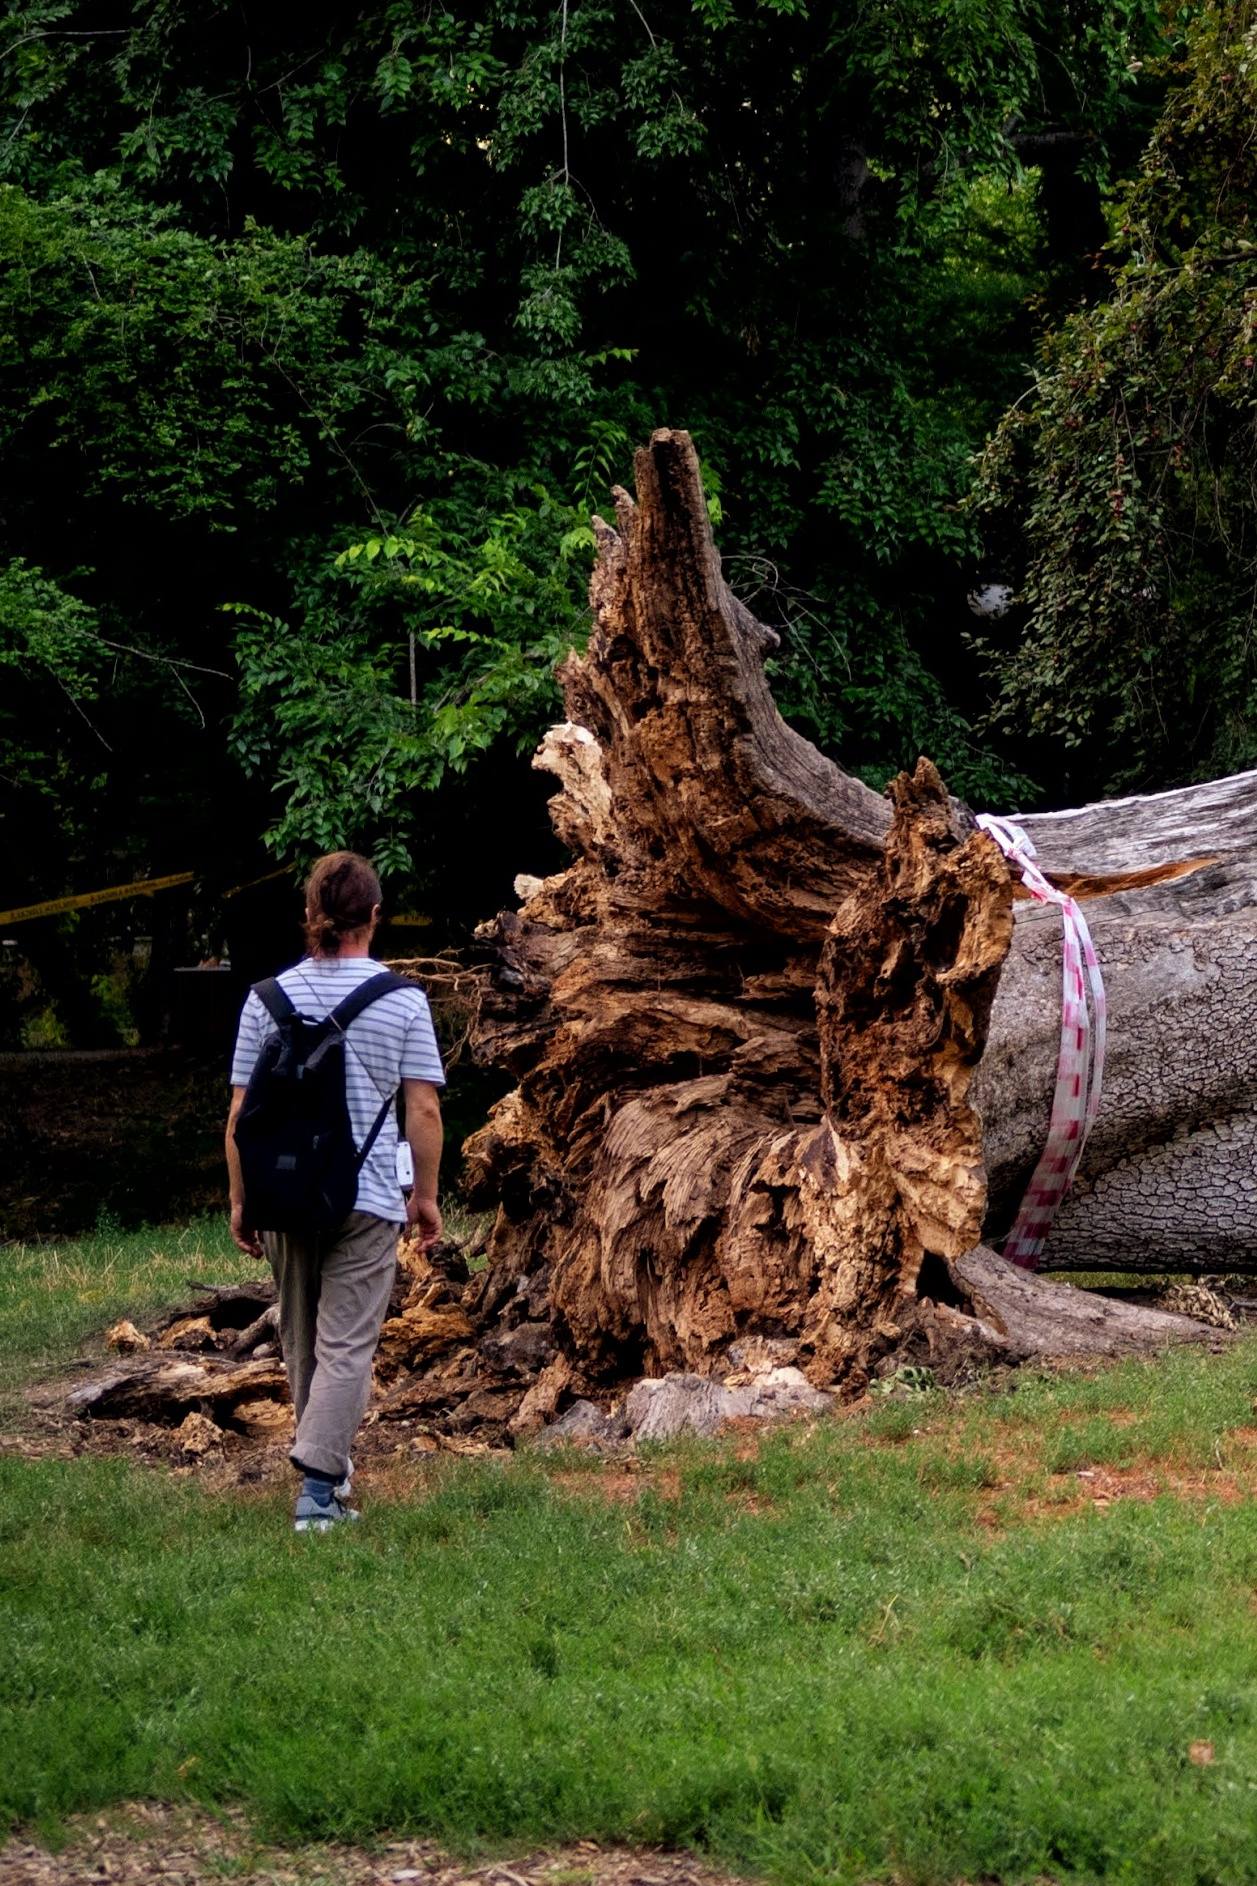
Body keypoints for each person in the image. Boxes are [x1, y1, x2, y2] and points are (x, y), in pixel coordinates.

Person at [225, 851, 445, 1531]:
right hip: (367, 1196)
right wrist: (426, 1196)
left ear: (310, 916)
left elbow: (239, 1115)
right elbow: (424, 1111)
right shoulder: (402, 1000)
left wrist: (241, 1198)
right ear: (374, 916)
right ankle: (319, 1495)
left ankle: (328, 1475)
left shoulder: (265, 999)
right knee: (346, 1344)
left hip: (283, 1194)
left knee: (300, 1340)